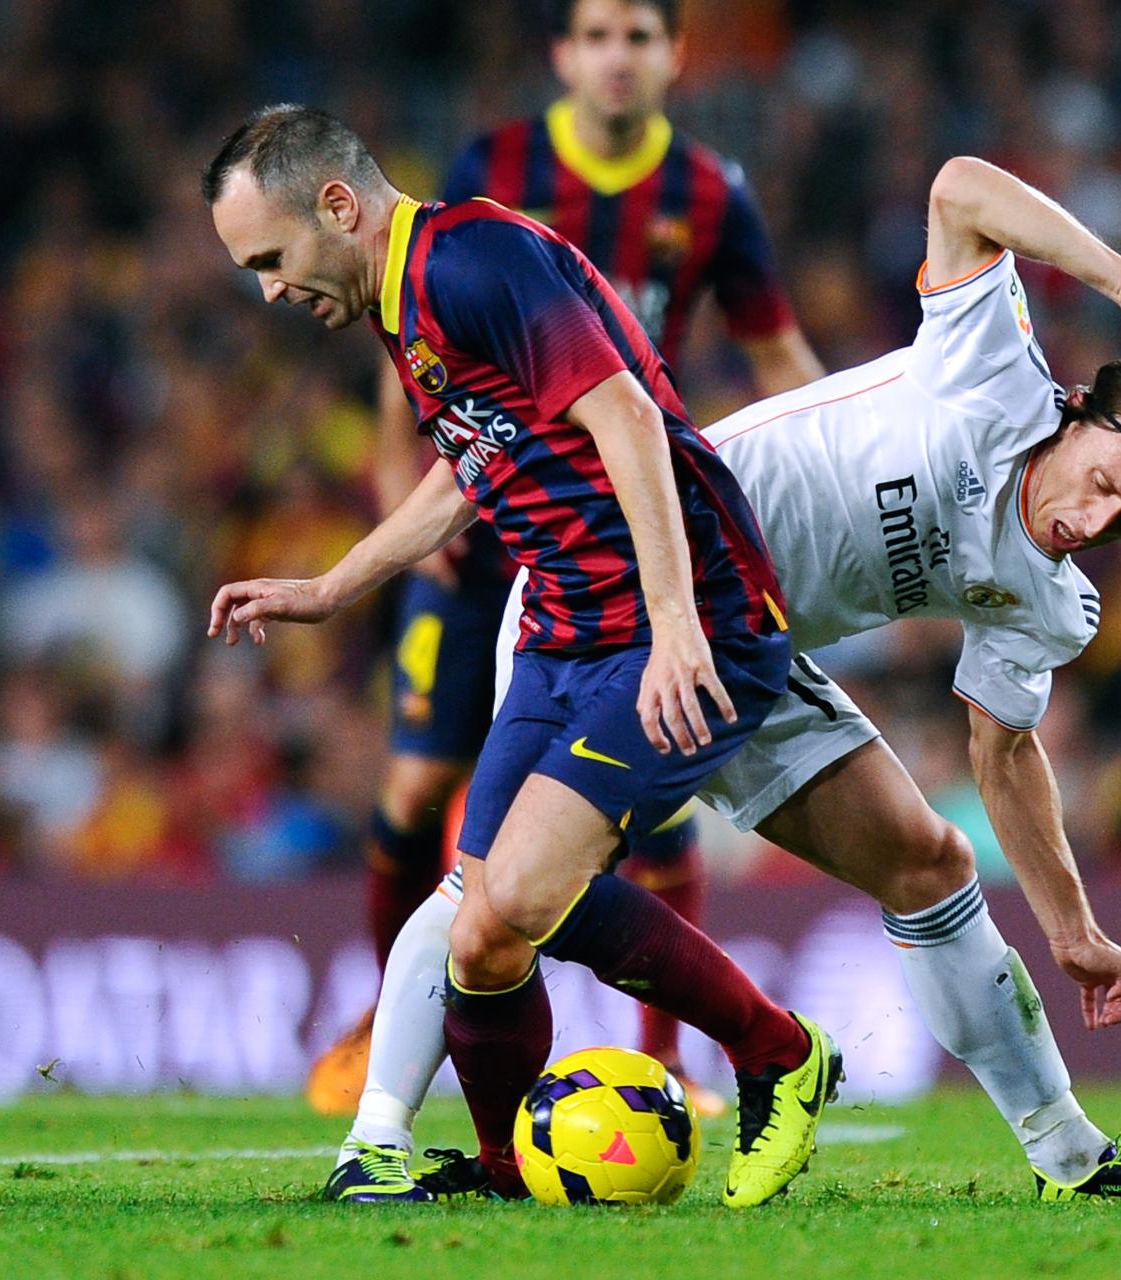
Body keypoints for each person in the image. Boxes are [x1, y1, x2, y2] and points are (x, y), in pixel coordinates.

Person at [332, 156, 1121, 1205]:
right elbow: (955, 186)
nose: (1098, 521)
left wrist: (1069, 925)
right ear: (1081, 413)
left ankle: (1071, 1158)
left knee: (928, 861)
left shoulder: (1051, 597)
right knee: (496, 897)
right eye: (1110, 483)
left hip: (745, 648)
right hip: (620, 590)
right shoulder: (989, 372)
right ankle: (380, 1136)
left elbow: (1002, 748)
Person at [202, 104, 839, 1209]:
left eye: (269, 257)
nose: (267, 290)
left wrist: (675, 620)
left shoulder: (471, 260)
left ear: (338, 207)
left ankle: (779, 1052)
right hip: (562, 628)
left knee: (517, 897)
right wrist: (329, 586)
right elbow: (468, 466)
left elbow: (630, 420)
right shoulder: (401, 302)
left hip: (677, 621)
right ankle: (505, 1169)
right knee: (483, 933)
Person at [307, 0, 823, 1119]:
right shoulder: (484, 178)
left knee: (605, 828)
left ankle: (680, 1047)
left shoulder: (707, 193)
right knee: (422, 802)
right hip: (491, 535)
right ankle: (383, 1011)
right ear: (561, 55)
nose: (617, 57)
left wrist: (819, 497)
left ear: (674, 56)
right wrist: (381, 542)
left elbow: (762, 353)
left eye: (639, 35)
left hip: (634, 535)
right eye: (596, 34)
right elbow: (431, 383)